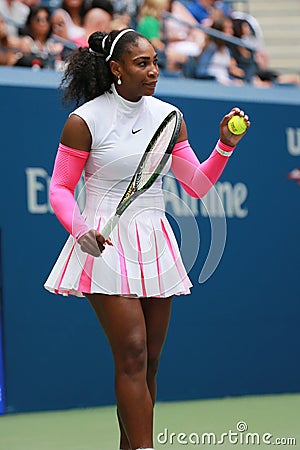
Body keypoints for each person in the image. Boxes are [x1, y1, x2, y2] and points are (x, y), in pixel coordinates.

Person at [44, 28, 250, 449]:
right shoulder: (84, 121)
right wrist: (80, 230)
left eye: (156, 61)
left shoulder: (169, 117)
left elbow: (195, 185)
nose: (154, 70)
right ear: (116, 69)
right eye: (142, 63)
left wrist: (224, 147)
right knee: (134, 351)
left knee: (149, 362)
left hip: (153, 237)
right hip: (103, 241)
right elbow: (60, 189)